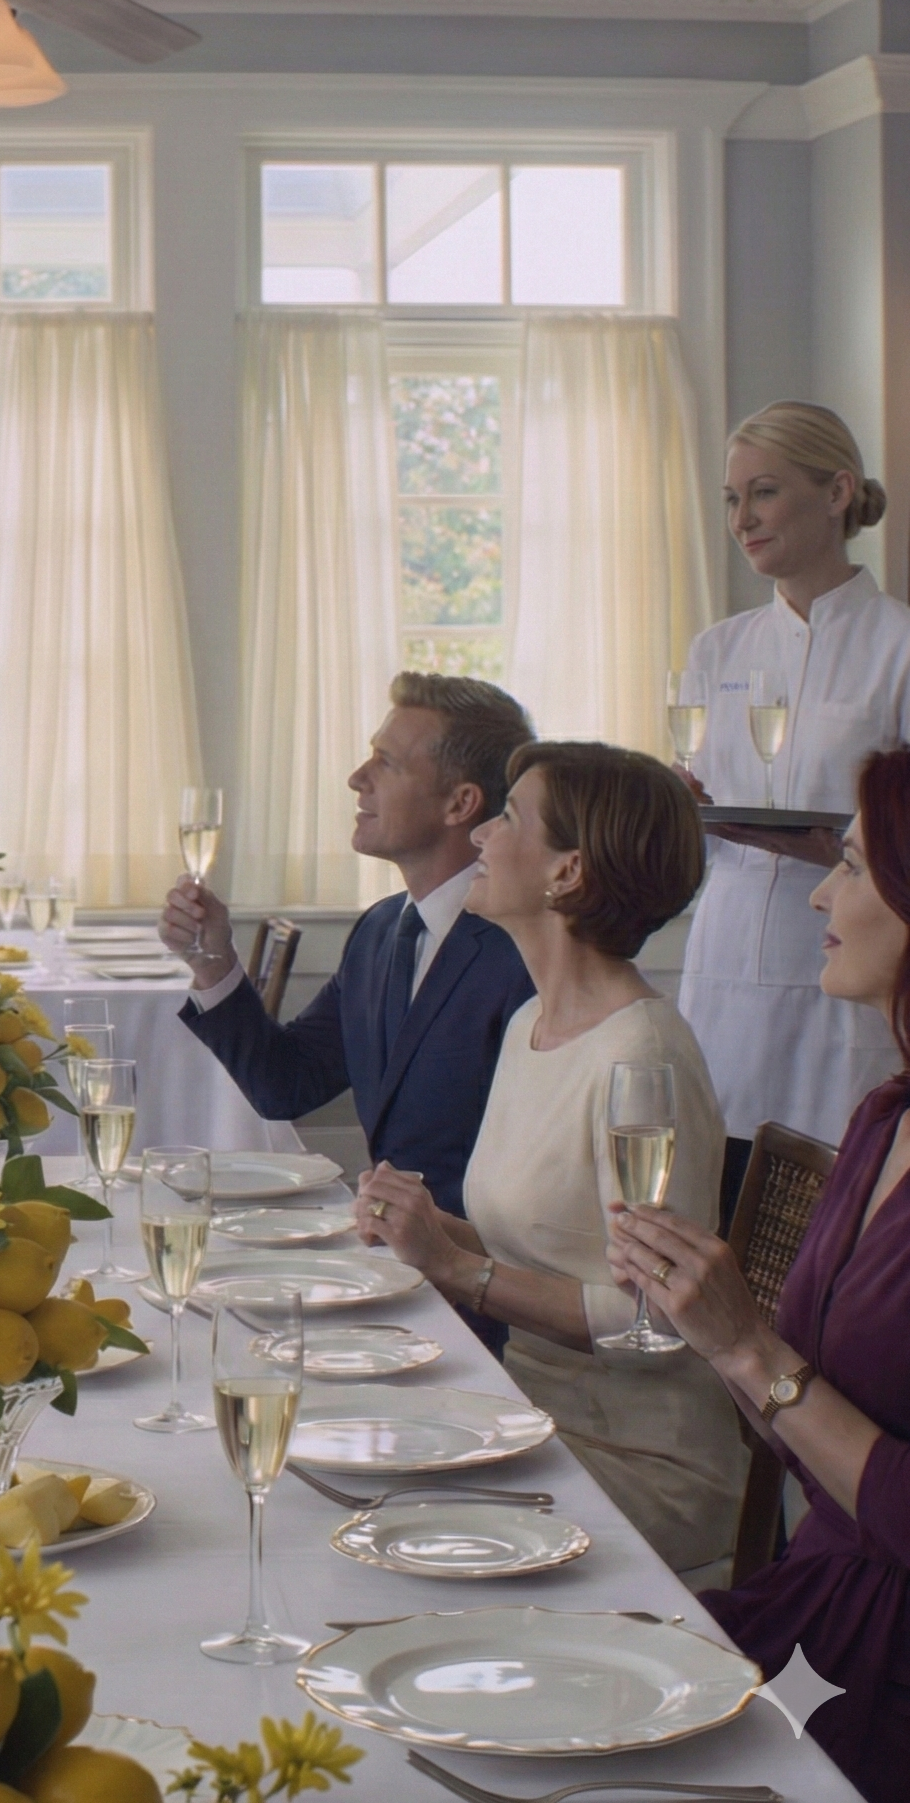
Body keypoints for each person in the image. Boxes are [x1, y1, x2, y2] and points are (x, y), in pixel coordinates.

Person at [359, 741, 747, 1581]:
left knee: (369, 1510)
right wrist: (424, 1230)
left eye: (508, 818)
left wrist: (455, 1269)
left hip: (639, 1461)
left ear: (567, 871)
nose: (481, 836)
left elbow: (659, 1324)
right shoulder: (529, 1023)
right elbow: (541, 1248)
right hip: (526, 1417)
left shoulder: (641, 1059)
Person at [608, 749, 910, 1803]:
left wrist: (746, 1347)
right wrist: (708, 1325)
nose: (820, 895)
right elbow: (796, 1427)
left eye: (853, 867)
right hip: (812, 1600)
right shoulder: (882, 1116)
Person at [162, 672, 536, 1217]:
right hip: (385, 1245)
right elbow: (286, 1085)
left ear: (460, 803)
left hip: (470, 1257)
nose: (357, 778)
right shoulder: (379, 931)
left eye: (386, 762)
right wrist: (212, 961)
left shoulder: (523, 950)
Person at [677, 402, 910, 1207]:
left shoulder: (899, 646)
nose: (742, 519)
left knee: (827, 1214)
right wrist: (675, 810)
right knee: (718, 1200)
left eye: (764, 492)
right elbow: (700, 843)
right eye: (731, 499)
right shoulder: (717, 649)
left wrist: (831, 849)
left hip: (840, 984)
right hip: (724, 971)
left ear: (837, 492)